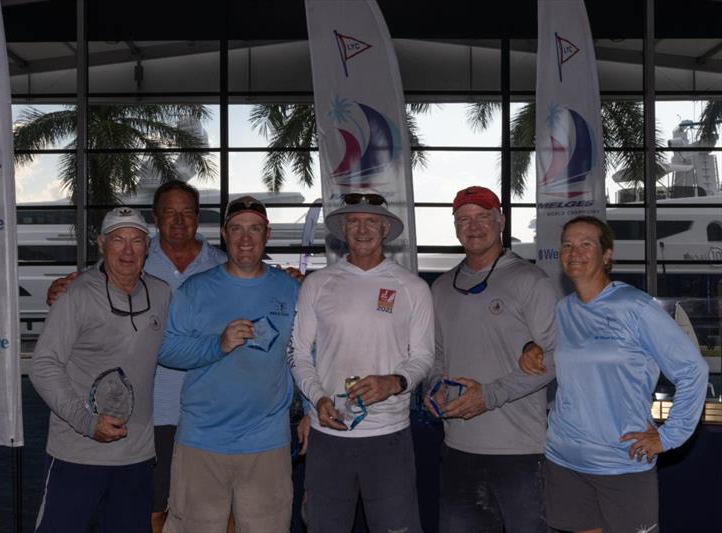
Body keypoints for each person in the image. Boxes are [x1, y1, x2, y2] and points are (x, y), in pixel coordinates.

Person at [45, 180, 227, 533]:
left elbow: (253, 285)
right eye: (169, 212)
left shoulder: (220, 265)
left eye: (187, 212)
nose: (178, 220)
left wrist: (292, 278)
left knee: (213, 511)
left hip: (208, 415)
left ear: (198, 218)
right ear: (156, 219)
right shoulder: (125, 266)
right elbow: (89, 294)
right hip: (152, 418)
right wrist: (60, 291)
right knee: (151, 511)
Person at [521, 215, 708, 533]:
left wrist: (668, 435)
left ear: (606, 255)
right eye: (567, 245)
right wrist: (530, 346)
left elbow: (693, 370)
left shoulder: (635, 307)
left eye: (585, 244)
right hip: (564, 459)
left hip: (622, 463)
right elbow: (561, 355)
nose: (574, 252)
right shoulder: (564, 309)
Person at [290, 192, 434, 533]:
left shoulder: (412, 287)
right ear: (343, 229)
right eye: (353, 221)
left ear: (385, 229)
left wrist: (395, 381)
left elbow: (424, 356)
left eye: (371, 221)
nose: (362, 228)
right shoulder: (317, 284)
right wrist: (318, 399)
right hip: (329, 435)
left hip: (389, 437)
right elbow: (297, 353)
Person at [158, 195, 300, 533]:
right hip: (201, 441)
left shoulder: (291, 289)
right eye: (237, 229)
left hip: (267, 442)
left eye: (255, 229)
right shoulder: (195, 289)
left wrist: (309, 410)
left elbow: (303, 354)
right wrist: (217, 345)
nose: (246, 238)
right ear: (224, 234)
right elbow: (166, 350)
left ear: (268, 234)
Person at [424, 185, 557, 533]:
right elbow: (437, 354)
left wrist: (489, 394)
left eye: (483, 216)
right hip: (457, 449)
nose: (474, 225)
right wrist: (434, 387)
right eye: (464, 218)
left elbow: (555, 357)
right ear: (454, 227)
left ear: (501, 221)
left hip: (522, 453)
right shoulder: (440, 288)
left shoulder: (531, 281)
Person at [30, 207, 172, 533]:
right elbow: (43, 366)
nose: (127, 250)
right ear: (101, 244)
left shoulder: (162, 294)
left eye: (136, 240)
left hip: (136, 457)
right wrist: (87, 422)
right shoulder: (76, 295)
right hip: (76, 453)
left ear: (147, 247)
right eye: (118, 240)